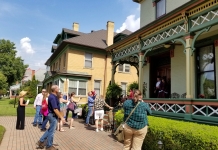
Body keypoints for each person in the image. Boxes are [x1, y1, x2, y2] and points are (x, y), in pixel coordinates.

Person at [36, 85, 65, 150]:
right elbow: (55, 109)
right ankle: (49, 146)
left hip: (52, 115)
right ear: (55, 90)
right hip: (52, 115)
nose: (59, 89)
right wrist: (61, 117)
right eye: (58, 88)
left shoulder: (54, 96)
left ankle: (41, 141)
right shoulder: (52, 97)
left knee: (50, 130)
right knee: (52, 131)